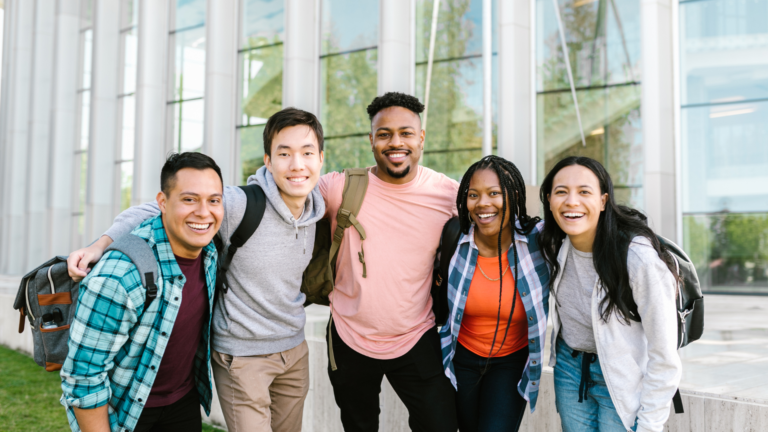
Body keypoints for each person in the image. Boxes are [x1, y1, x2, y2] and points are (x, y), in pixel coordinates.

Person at [66, 108, 326, 432]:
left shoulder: (319, 206)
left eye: (307, 153)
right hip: (242, 356)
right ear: (268, 161)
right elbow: (157, 208)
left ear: (321, 159)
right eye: (284, 153)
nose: (297, 164)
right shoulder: (237, 204)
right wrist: (100, 245)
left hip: (288, 350)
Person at [318, 92, 459, 431]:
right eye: (384, 134)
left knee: (440, 425)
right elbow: (283, 194)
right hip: (349, 337)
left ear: (421, 138)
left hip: (416, 335)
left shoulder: (449, 194)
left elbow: (499, 222)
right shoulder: (340, 188)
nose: (396, 142)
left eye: (406, 133)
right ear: (371, 141)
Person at [61, 152, 224, 432]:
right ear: (162, 202)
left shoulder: (208, 251)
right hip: (127, 411)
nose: (203, 212)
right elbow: (83, 377)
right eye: (189, 199)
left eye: (214, 200)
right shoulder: (120, 275)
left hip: (183, 400)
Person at [538, 156, 682, 432]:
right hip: (569, 370)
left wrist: (650, 425)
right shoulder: (552, 243)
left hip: (622, 373)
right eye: (561, 192)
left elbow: (664, 354)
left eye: (584, 192)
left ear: (603, 201)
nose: (571, 202)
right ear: (549, 200)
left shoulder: (637, 257)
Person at [438, 156, 550, 432]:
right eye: (473, 195)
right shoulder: (455, 238)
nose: (483, 203)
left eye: (494, 193)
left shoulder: (539, 240)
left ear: (513, 197)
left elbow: (585, 229)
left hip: (510, 363)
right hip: (460, 357)